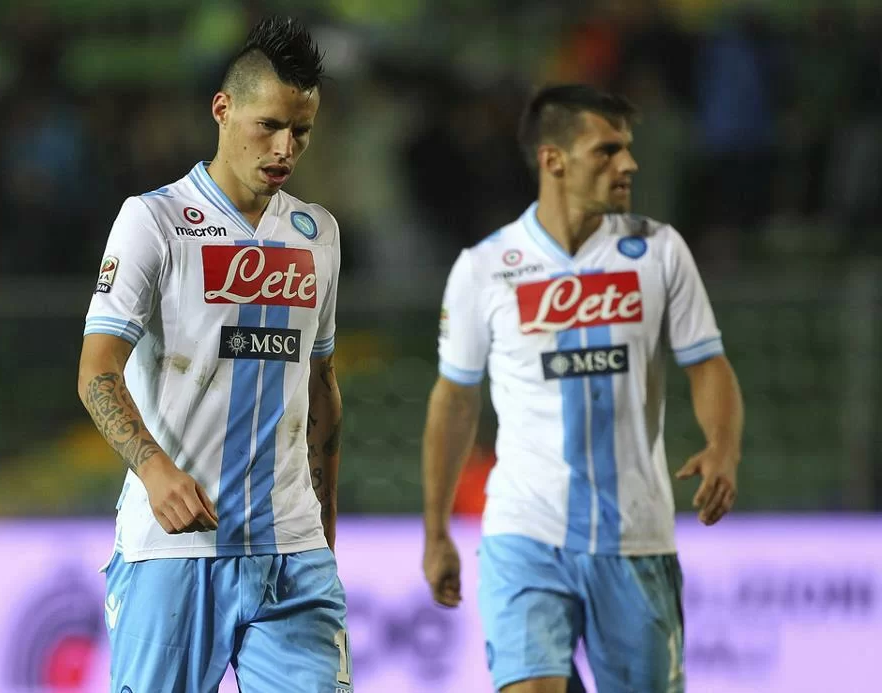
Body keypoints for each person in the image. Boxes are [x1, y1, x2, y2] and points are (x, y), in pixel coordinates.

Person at [421, 83, 744, 693]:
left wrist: (722, 447)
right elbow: (454, 400)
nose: (629, 164)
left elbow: (707, 363)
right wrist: (436, 532)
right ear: (554, 160)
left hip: (636, 536)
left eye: (628, 148)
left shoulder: (658, 251)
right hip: (525, 530)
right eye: (608, 150)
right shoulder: (484, 268)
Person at [77, 16, 352, 693]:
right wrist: (154, 471)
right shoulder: (154, 220)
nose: (285, 148)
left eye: (301, 131)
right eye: (269, 126)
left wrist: (324, 523)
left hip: (293, 553)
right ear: (222, 109)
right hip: (174, 549)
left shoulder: (317, 233)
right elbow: (97, 370)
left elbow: (320, 383)